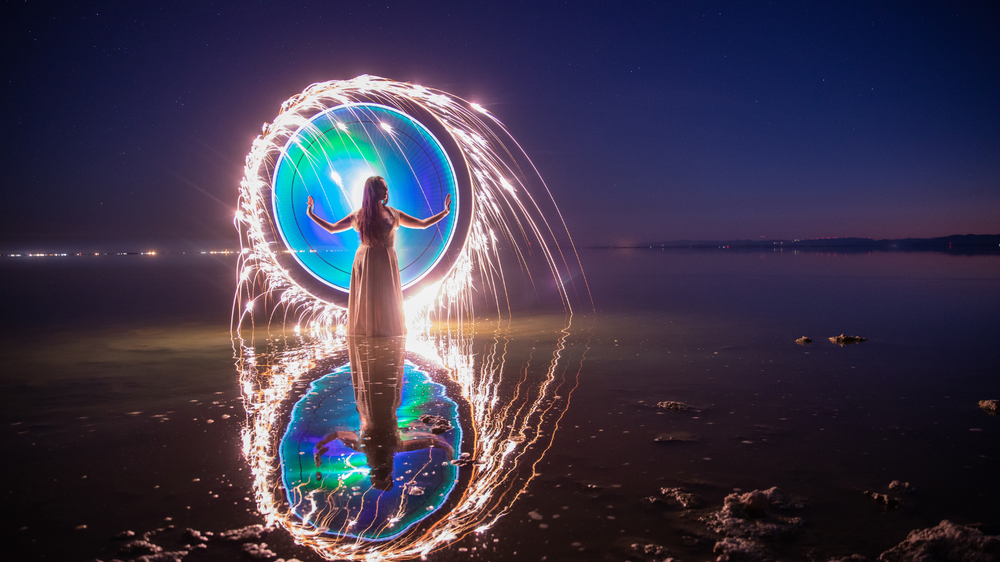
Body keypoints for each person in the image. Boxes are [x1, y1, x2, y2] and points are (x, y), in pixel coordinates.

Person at [306, 176, 451, 337]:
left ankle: (386, 335)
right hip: (366, 259)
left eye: (386, 187)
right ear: (373, 191)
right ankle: (370, 335)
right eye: (382, 187)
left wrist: (444, 213)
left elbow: (422, 224)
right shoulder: (359, 215)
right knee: (368, 298)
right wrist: (311, 214)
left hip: (386, 259)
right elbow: (333, 229)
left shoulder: (393, 213)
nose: (386, 190)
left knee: (387, 298)